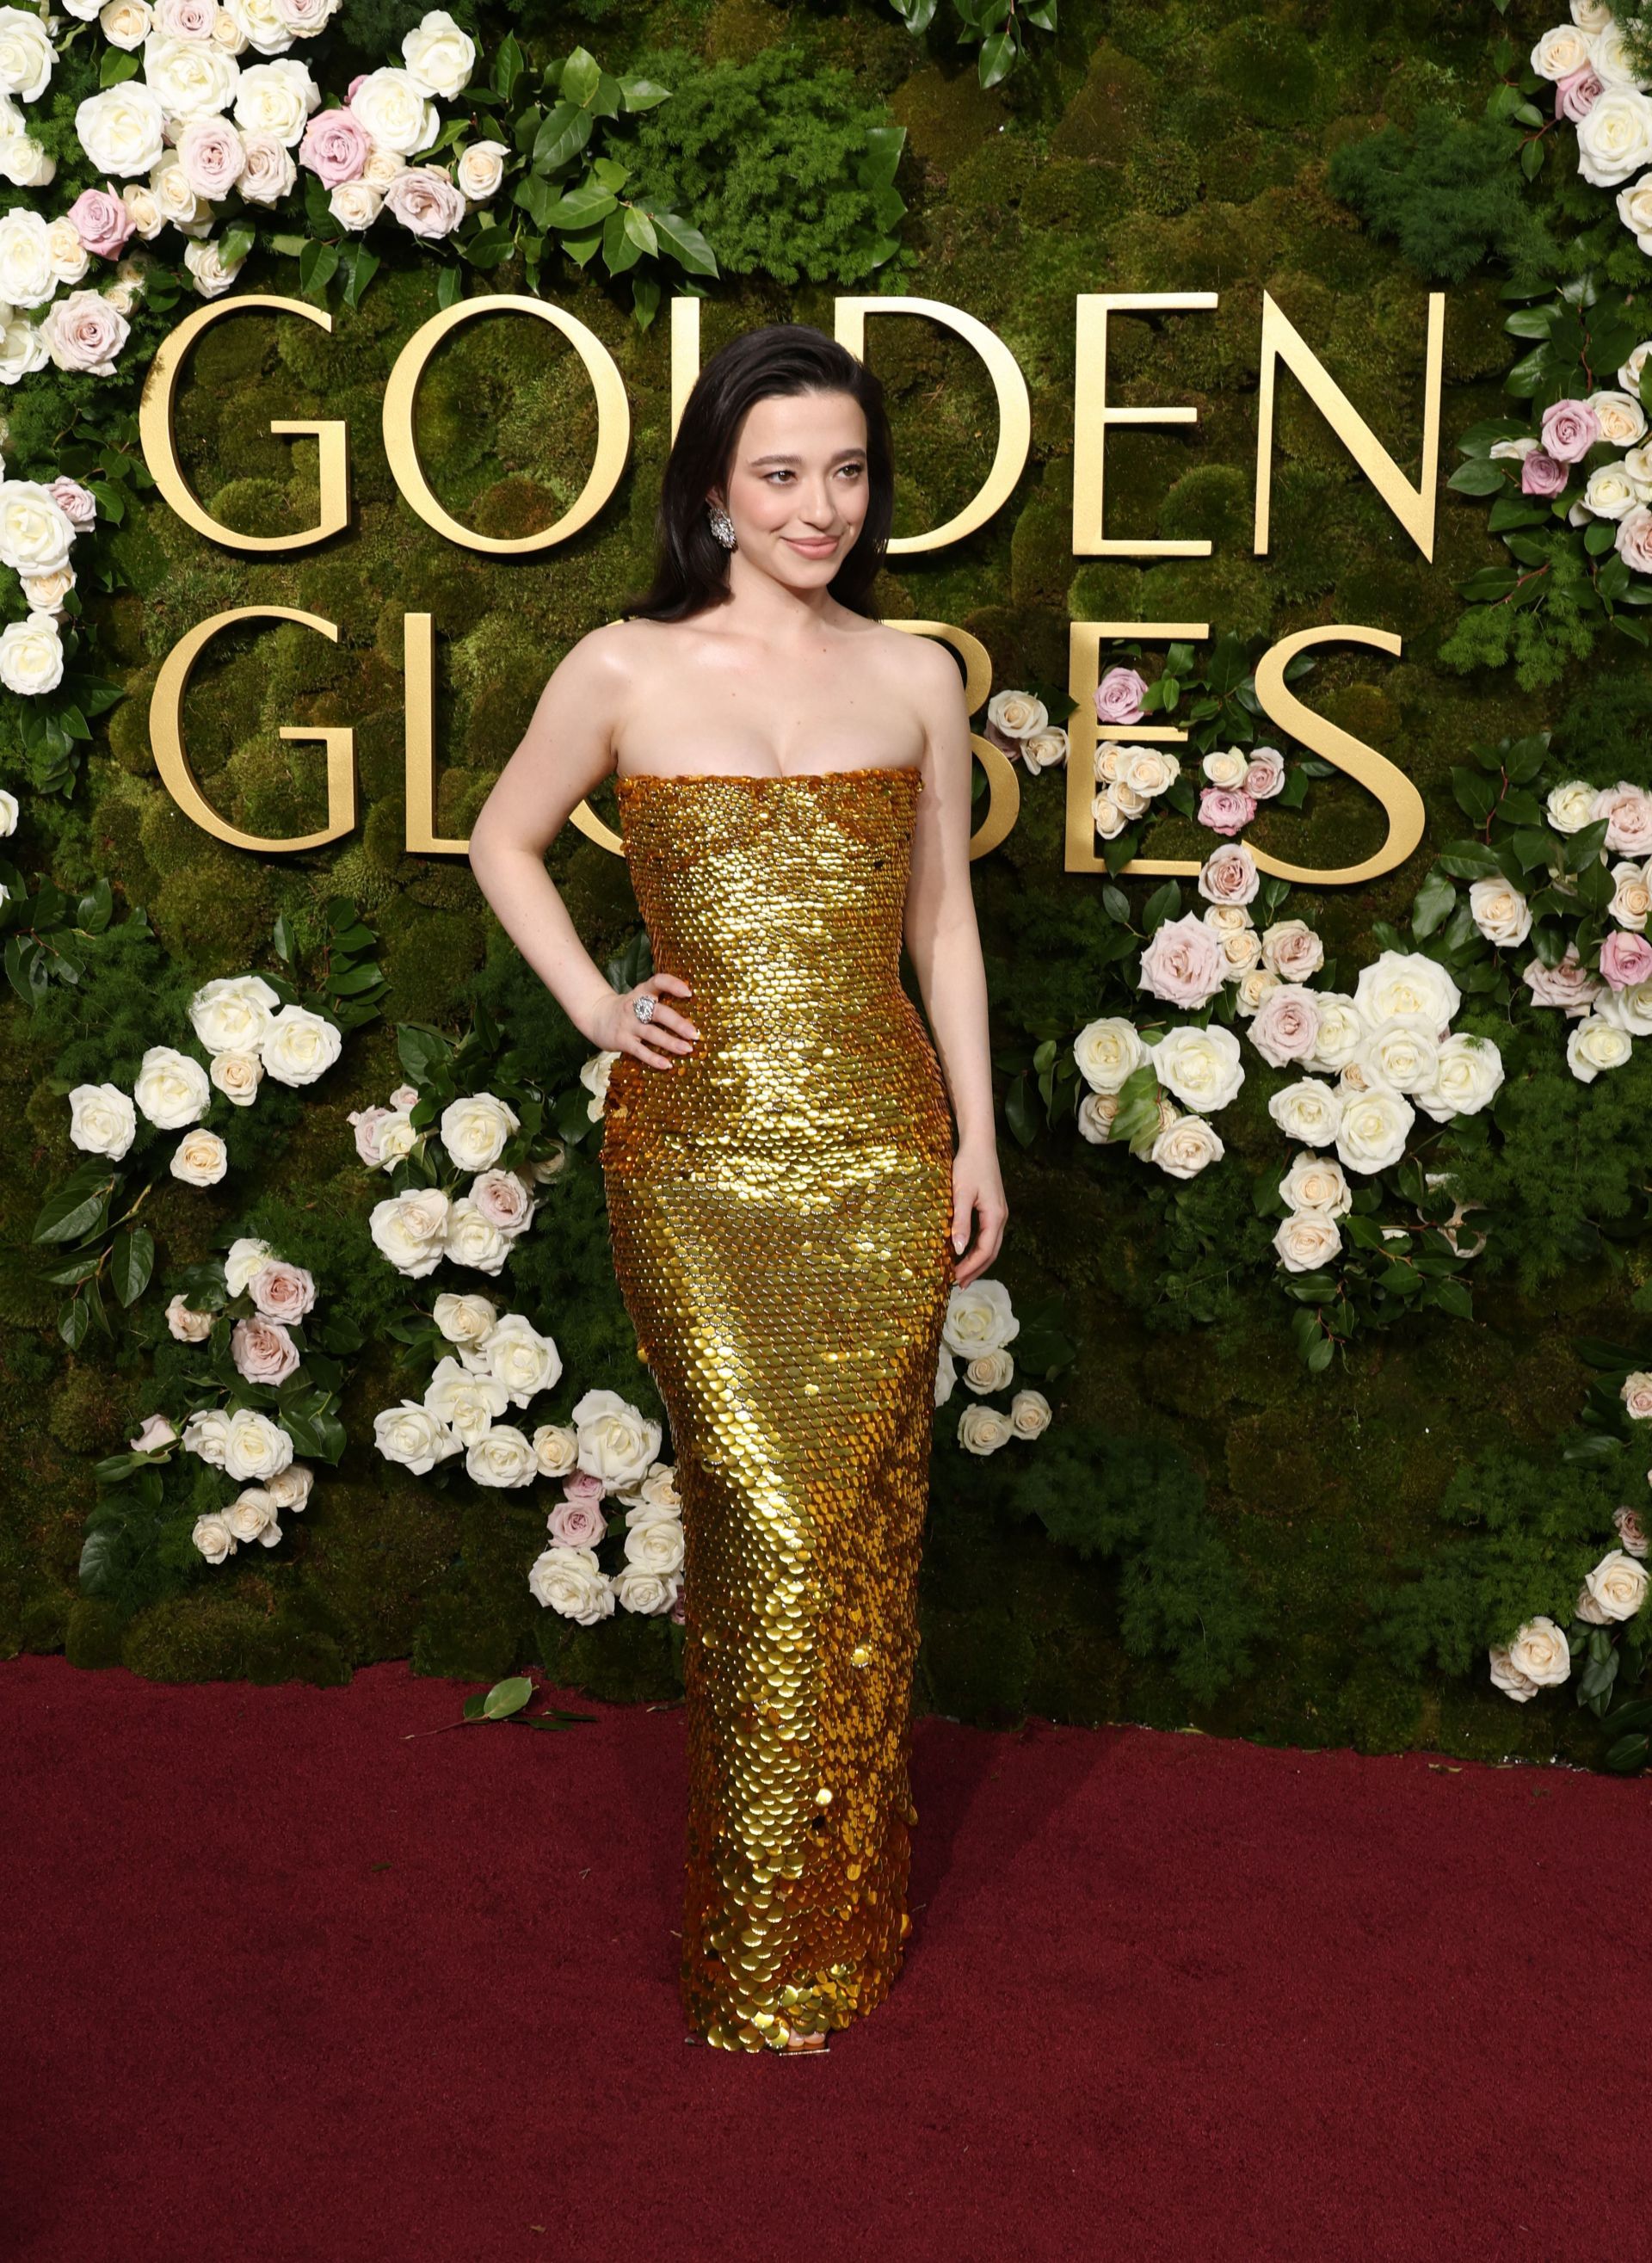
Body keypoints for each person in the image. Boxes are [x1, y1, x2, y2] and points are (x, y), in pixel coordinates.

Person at [466, 321, 1006, 2054]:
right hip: (694, 1168)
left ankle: (837, 1915)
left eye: (846, 469)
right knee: (759, 1524)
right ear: (713, 486)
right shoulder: (624, 665)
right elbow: (503, 835)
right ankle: (755, 1940)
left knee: (850, 1540)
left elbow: (941, 927)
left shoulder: (916, 670)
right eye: (781, 471)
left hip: (878, 1149)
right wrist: (599, 1007)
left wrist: (978, 1140)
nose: (818, 503)